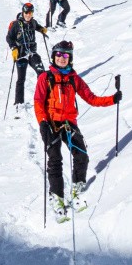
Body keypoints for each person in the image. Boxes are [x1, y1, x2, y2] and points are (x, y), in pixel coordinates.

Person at [34, 40, 121, 215]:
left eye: (66, 55)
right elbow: (38, 101)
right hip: (51, 123)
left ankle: (77, 188)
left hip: (69, 123)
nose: (62, 58)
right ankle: (56, 197)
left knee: (81, 155)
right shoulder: (45, 77)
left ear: (70, 59)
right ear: (53, 57)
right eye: (58, 55)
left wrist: (112, 99)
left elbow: (92, 98)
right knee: (55, 159)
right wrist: (43, 122)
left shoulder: (74, 79)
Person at [4, 1, 48, 110]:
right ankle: (19, 102)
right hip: (21, 54)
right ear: (23, 12)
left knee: (42, 74)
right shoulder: (16, 24)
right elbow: (9, 38)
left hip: (32, 53)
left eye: (31, 13)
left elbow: (37, 26)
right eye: (26, 12)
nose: (28, 15)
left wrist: (42, 29)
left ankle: (43, 98)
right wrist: (13, 48)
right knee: (21, 79)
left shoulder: (33, 22)